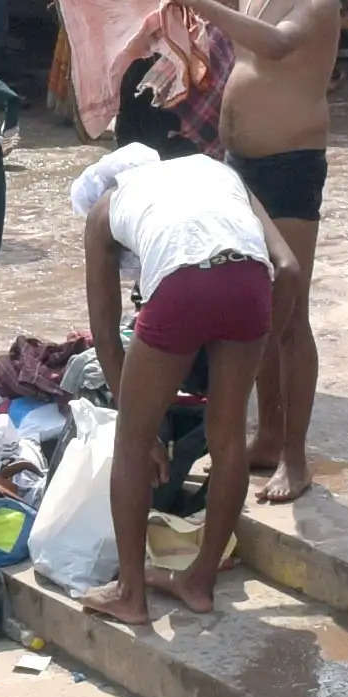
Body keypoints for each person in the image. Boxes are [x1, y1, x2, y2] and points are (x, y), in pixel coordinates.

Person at [73, 140, 275, 630]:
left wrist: (145, 429)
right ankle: (199, 581)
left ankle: (130, 594)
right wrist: (261, 345)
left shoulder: (103, 209)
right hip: (252, 281)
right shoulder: (213, 170)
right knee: (226, 441)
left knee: (131, 443)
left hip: (185, 284)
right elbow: (286, 266)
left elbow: (105, 332)